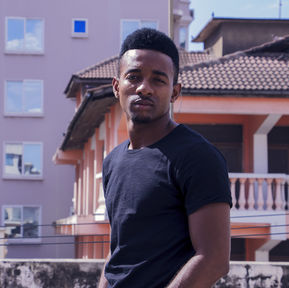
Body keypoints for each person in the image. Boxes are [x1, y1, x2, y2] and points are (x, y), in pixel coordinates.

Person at [98, 28, 232, 288]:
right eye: (134, 77)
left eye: (158, 80)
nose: (144, 88)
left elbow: (213, 258)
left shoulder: (198, 156)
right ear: (117, 87)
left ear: (174, 92)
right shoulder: (113, 162)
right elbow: (118, 250)